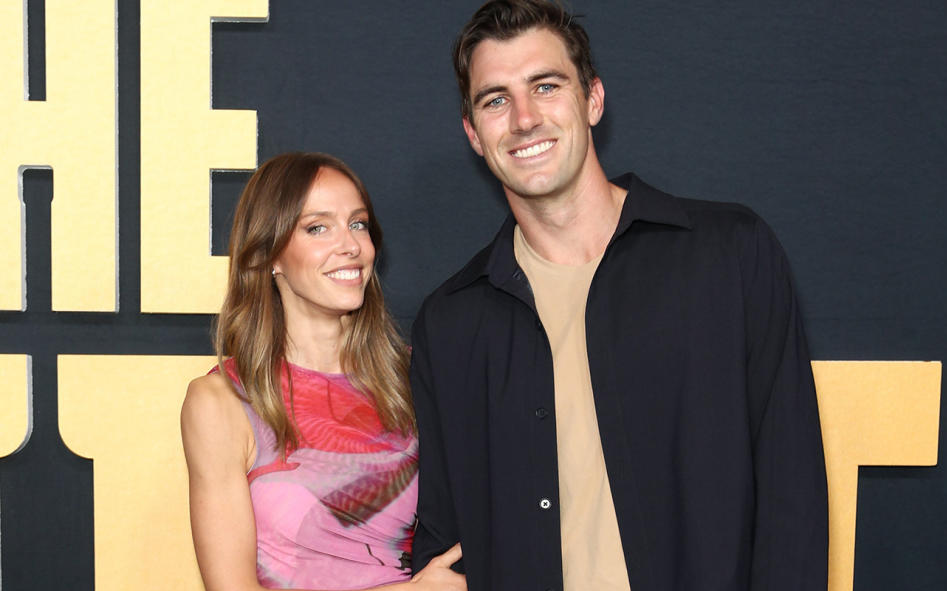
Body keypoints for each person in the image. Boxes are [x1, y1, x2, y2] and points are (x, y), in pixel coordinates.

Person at [410, 2, 828, 590]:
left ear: (593, 99)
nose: (524, 118)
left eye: (546, 86)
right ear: (475, 135)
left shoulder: (730, 254)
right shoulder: (451, 322)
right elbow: (445, 540)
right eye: (496, 99)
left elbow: (793, 495)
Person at [181, 152, 466, 591]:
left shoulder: (413, 378)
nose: (351, 245)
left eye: (358, 223)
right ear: (269, 255)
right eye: (318, 227)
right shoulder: (222, 401)